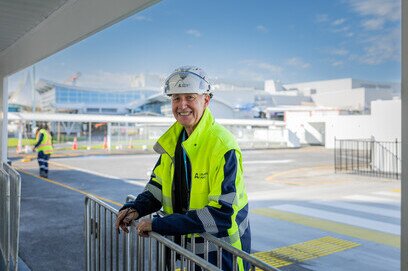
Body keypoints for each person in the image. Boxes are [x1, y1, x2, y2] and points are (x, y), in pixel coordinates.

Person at [115, 66, 251, 271]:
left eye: (190, 97)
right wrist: (137, 208)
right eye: (176, 98)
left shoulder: (222, 146)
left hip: (222, 254)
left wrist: (161, 225)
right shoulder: (173, 141)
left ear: (206, 100)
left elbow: (221, 215)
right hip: (187, 253)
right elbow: (157, 187)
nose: (182, 105)